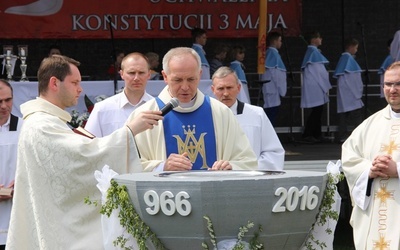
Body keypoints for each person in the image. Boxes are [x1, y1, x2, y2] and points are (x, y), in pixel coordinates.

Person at [6, 55, 163, 249]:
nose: (80, 89)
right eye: (74, 83)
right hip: (60, 229)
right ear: (54, 83)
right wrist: (129, 131)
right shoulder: (41, 125)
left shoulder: (49, 121)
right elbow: (83, 158)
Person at [129, 47, 258, 172]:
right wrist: (162, 167)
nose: (185, 87)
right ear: (165, 76)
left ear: (200, 74)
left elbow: (247, 161)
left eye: (191, 79)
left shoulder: (220, 112)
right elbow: (128, 164)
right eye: (178, 80)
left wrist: (230, 166)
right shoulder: (145, 115)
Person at [342, 61, 400, 249]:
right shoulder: (370, 125)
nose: (393, 89)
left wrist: (397, 169)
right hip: (377, 213)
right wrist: (369, 170)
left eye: (398, 83)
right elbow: (349, 158)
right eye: (388, 84)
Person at [211, 67, 285, 171]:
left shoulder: (256, 115)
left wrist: (242, 167)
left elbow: (273, 153)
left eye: (229, 87)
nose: (226, 93)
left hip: (250, 179)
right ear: (213, 90)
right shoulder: (205, 117)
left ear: (239, 88)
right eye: (220, 88)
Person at [85, 52, 154, 137]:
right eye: (131, 73)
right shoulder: (102, 109)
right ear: (121, 74)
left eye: (141, 72)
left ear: (149, 74)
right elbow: (89, 144)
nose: (136, 78)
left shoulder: (157, 108)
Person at [0, 80, 23, 250]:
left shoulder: (24, 127)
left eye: (8, 100)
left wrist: (23, 181)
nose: (4, 106)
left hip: (17, 207)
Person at [300, 31, 332, 143]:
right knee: (317, 111)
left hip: (315, 86)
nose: (321, 39)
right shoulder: (313, 53)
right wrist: (325, 85)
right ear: (314, 40)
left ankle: (316, 134)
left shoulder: (312, 53)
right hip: (316, 86)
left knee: (318, 111)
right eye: (319, 37)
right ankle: (309, 134)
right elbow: (319, 73)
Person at [333, 38, 364, 143]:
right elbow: (353, 80)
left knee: (343, 115)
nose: (356, 50)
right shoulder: (348, 59)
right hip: (351, 94)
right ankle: (360, 136)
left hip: (344, 94)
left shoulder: (343, 59)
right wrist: (358, 93)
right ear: (350, 47)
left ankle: (342, 135)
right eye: (355, 48)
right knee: (356, 115)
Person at [260, 31, 287, 126]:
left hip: (269, 89)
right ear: (275, 41)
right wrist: (282, 89)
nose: (281, 43)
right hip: (272, 89)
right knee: (271, 114)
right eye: (280, 40)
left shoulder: (267, 53)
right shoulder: (273, 54)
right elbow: (277, 75)